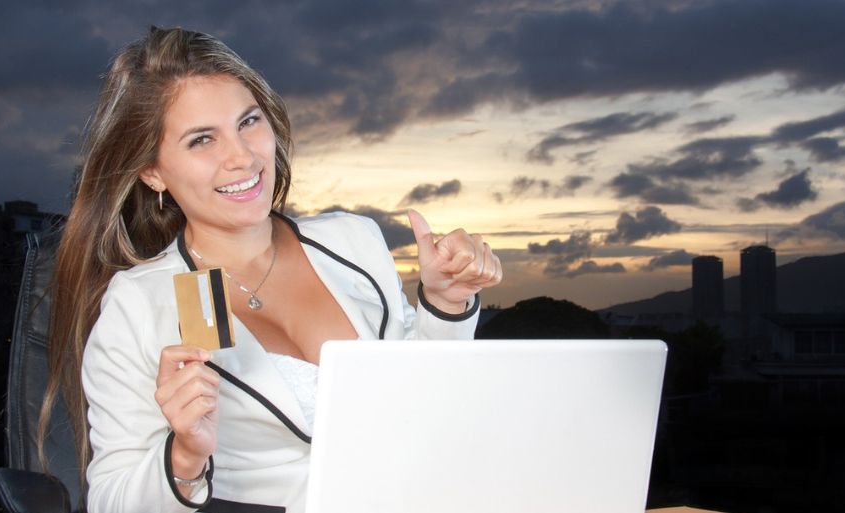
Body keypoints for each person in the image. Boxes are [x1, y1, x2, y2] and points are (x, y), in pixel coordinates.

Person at [42, 26, 502, 513]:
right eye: (201, 140)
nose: (241, 156)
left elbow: (421, 395)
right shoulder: (138, 303)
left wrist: (447, 303)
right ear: (152, 171)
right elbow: (110, 501)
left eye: (248, 122)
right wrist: (183, 459)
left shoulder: (352, 239)